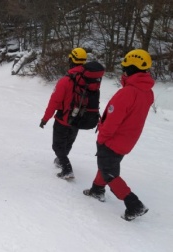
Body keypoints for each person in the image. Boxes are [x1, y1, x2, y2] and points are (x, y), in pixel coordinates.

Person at [83, 49, 154, 221]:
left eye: (125, 67)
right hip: (127, 140)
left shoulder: (128, 92)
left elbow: (112, 120)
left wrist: (102, 138)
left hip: (113, 139)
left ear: (130, 69)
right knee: (107, 166)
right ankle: (97, 190)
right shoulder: (147, 91)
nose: (123, 71)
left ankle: (134, 204)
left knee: (109, 173)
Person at [39, 47, 87, 180]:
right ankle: (61, 161)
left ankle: (67, 169)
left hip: (63, 119)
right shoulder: (88, 80)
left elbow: (54, 101)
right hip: (78, 119)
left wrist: (45, 119)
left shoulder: (66, 80)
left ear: (71, 60)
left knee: (57, 145)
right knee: (68, 143)